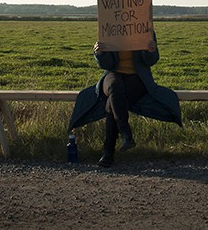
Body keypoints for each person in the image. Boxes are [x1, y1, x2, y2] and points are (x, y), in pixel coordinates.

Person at [68, 29, 182, 167]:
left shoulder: (144, 28)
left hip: (137, 77)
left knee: (112, 104)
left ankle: (108, 152)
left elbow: (151, 61)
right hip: (113, 73)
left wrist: (150, 51)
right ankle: (125, 133)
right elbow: (107, 65)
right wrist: (100, 53)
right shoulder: (110, 28)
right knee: (115, 88)